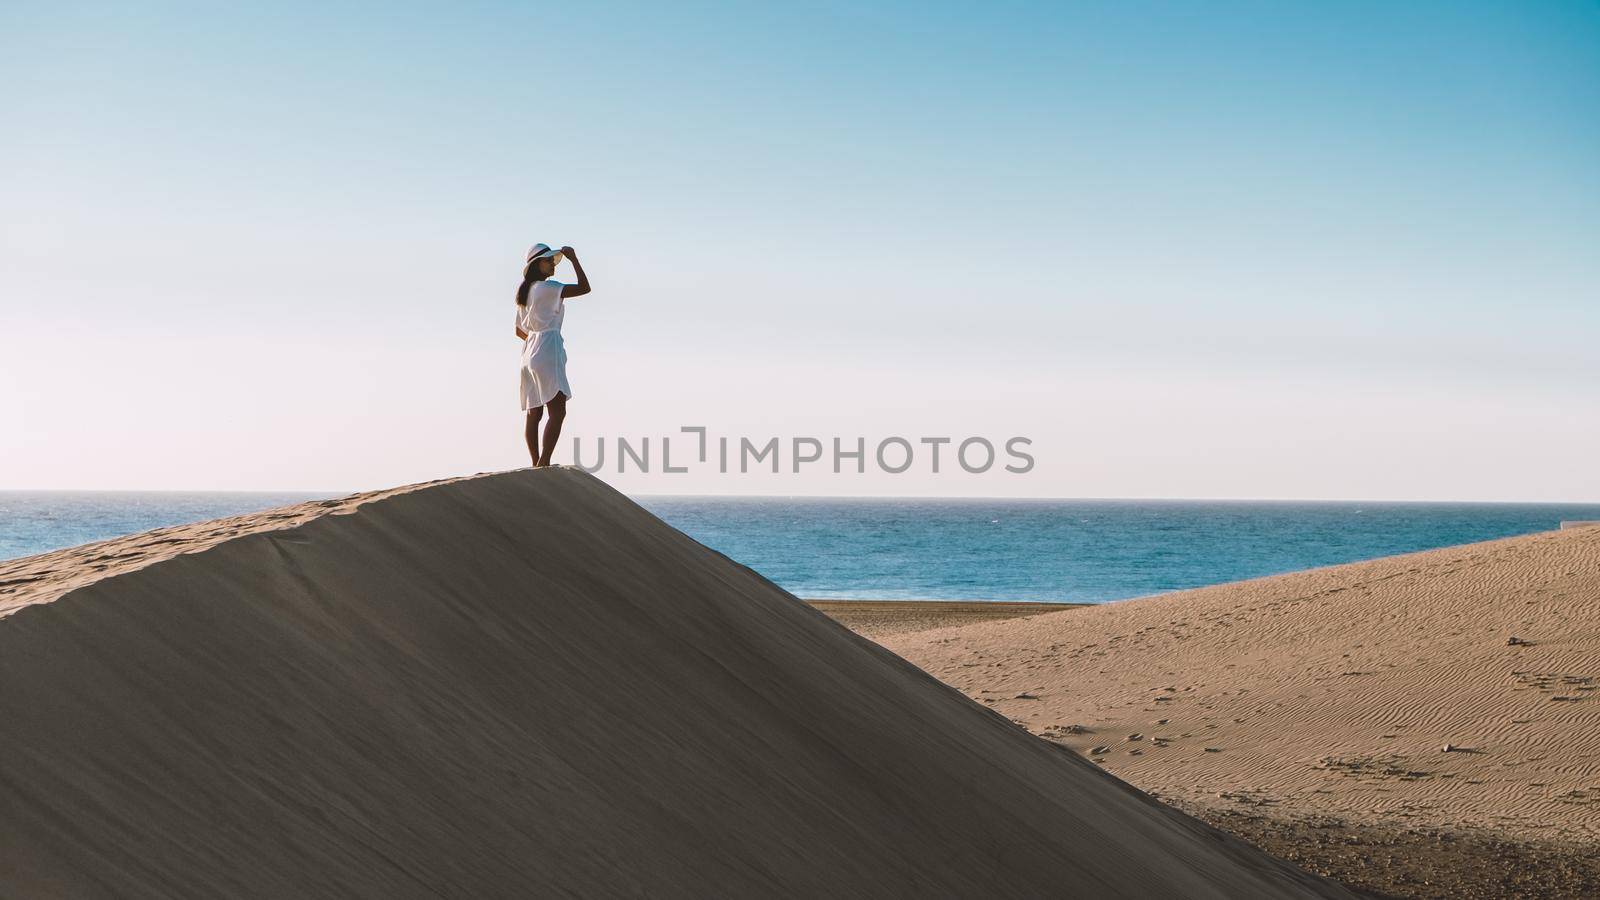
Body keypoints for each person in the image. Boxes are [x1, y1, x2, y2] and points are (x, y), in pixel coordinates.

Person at [514, 243, 590, 467]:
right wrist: (574, 259)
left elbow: (519, 331)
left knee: (534, 412)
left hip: (528, 352)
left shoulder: (524, 292)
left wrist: (535, 341)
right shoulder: (547, 289)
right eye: (549, 261)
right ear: (537, 264)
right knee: (557, 411)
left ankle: (536, 462)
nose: (553, 264)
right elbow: (584, 288)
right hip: (547, 346)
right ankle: (544, 463)